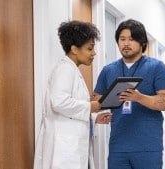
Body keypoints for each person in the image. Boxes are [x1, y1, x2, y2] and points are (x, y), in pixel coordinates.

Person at [94, 19, 165, 169]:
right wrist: (106, 104)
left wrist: (139, 97)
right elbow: (96, 100)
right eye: (122, 39)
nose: (126, 43)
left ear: (142, 42)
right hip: (118, 147)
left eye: (131, 39)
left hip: (148, 147)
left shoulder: (157, 68)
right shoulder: (108, 70)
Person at [33, 20, 112, 169]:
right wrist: (91, 106)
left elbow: (69, 109)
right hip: (63, 149)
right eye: (90, 49)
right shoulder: (64, 70)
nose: (94, 53)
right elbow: (60, 103)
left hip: (70, 146)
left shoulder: (73, 70)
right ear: (74, 49)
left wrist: (94, 118)